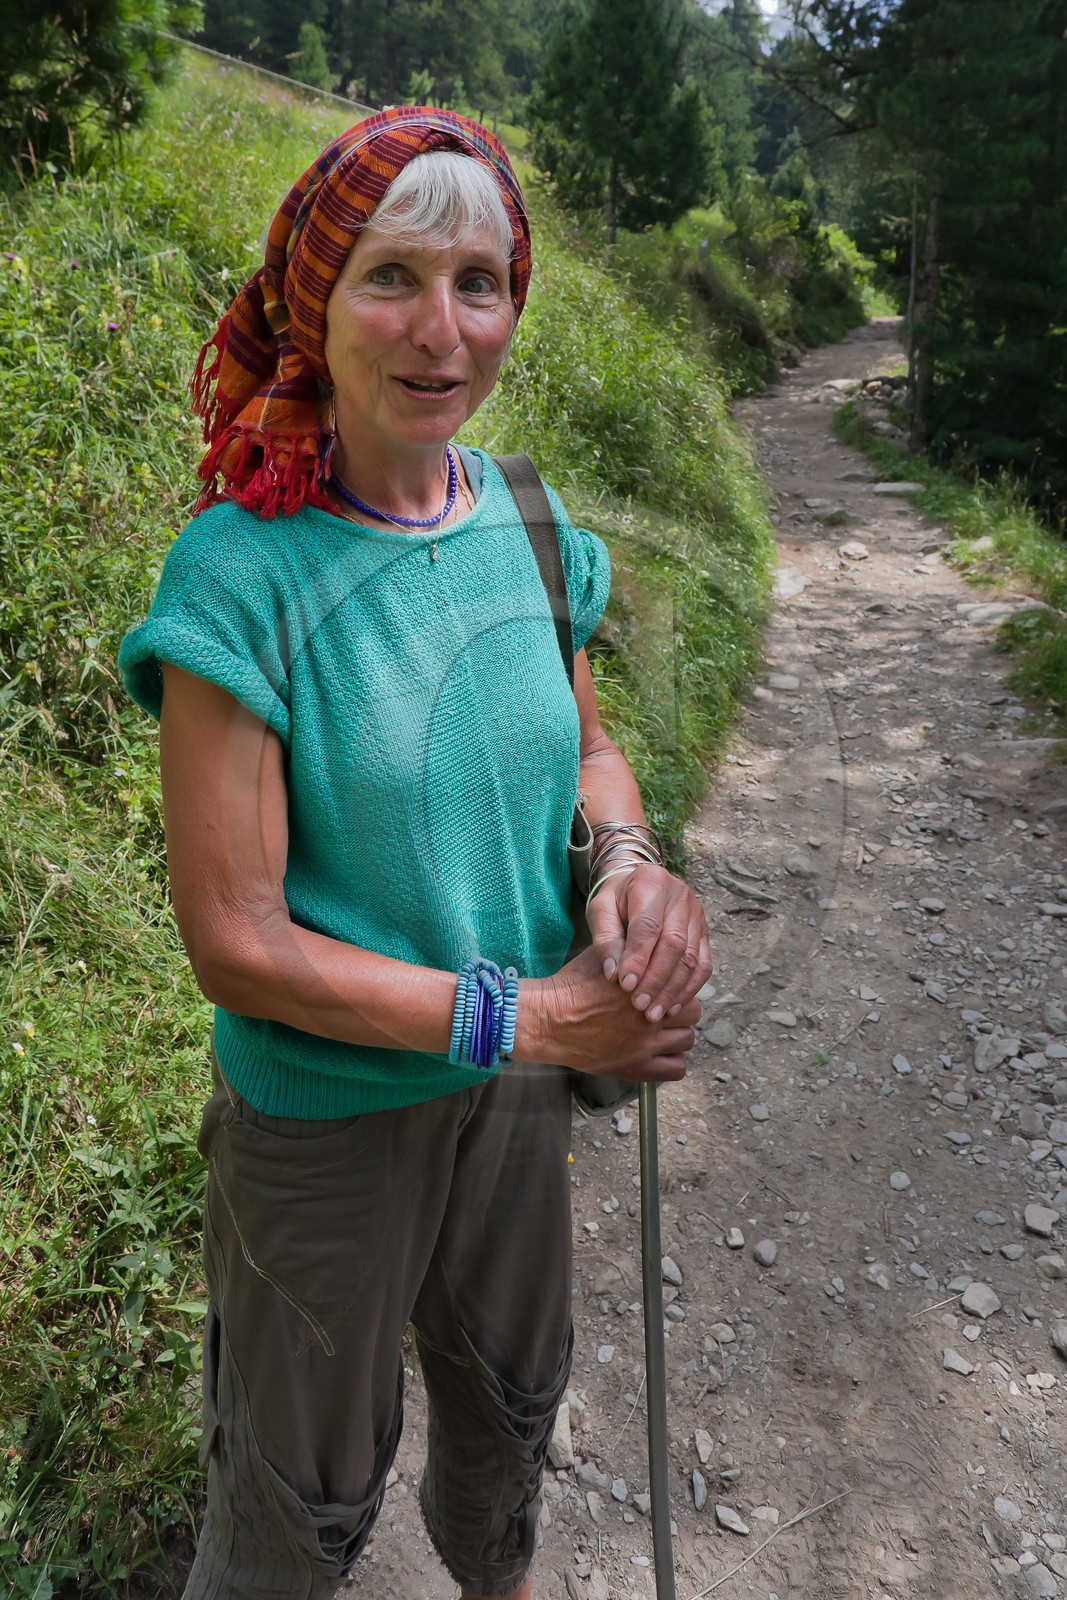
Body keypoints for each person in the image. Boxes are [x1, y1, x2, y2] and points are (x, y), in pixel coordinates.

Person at [119, 107, 712, 1600]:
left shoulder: (522, 516)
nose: (440, 329)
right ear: (312, 301)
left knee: (510, 1416)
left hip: (511, 1112)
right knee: (296, 1495)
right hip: (325, 1129)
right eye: (392, 276)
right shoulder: (241, 573)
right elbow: (237, 940)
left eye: (480, 280)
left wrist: (627, 865)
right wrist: (542, 1017)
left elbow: (585, 753)